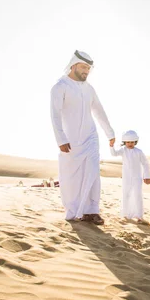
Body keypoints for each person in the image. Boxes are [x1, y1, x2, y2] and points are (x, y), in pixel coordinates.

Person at [50, 49, 115, 224]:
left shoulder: (89, 89)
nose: (86, 71)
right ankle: (73, 210)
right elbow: (55, 114)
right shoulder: (60, 86)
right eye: (83, 67)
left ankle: (92, 211)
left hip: (90, 137)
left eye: (89, 68)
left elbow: (99, 111)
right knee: (71, 177)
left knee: (93, 172)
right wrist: (61, 139)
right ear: (73, 65)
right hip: (70, 140)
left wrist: (109, 132)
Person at [110, 130, 150, 224]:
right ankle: (125, 214)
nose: (130, 144)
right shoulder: (123, 150)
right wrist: (111, 146)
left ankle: (139, 216)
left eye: (132, 142)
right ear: (124, 142)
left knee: (137, 195)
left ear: (135, 142)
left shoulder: (139, 152)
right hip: (126, 177)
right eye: (128, 142)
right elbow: (114, 154)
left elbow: (145, 163)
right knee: (126, 194)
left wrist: (146, 176)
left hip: (137, 178)